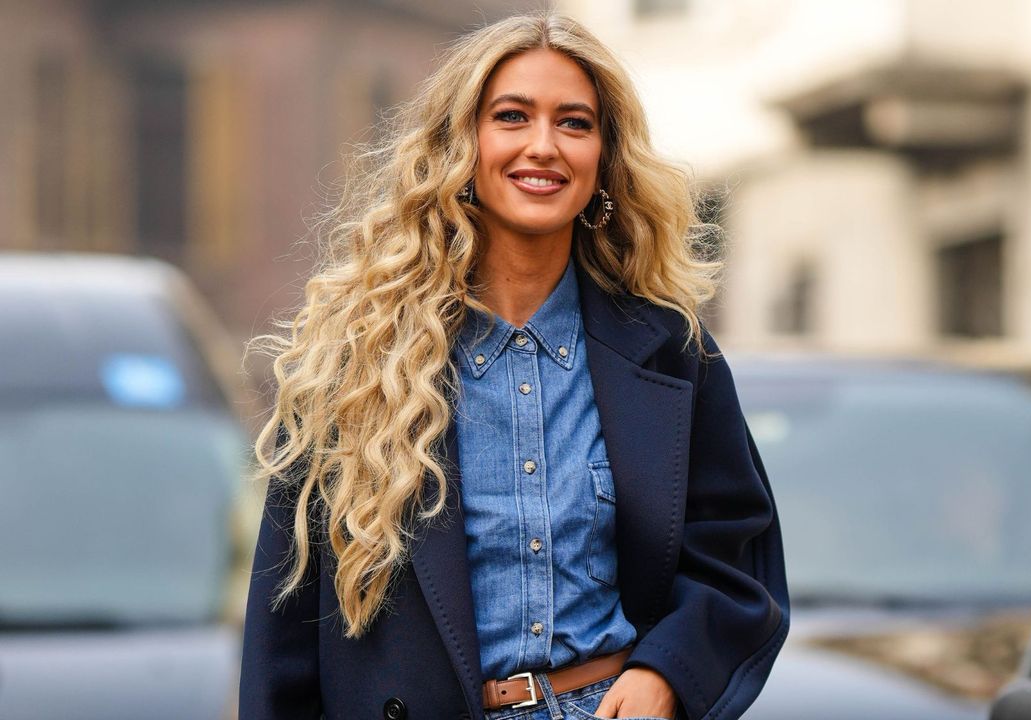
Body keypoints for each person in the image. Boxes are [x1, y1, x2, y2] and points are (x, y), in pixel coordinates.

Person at [239, 12, 788, 720]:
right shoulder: (353, 367)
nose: (543, 146)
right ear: (462, 145)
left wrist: (666, 674)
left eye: (574, 123)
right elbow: (284, 636)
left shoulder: (673, 355)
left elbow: (736, 564)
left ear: (605, 158)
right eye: (511, 116)